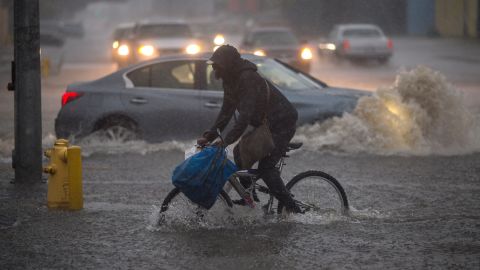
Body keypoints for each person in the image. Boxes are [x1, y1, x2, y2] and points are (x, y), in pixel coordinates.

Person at [197, 45, 302, 213]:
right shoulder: (229, 80)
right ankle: (250, 198)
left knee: (266, 169)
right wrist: (210, 136)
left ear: (229, 64)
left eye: (218, 65)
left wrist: (224, 142)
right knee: (239, 153)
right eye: (213, 65)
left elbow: (244, 118)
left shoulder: (247, 79)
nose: (215, 68)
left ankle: (294, 210)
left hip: (283, 121)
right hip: (265, 124)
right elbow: (226, 112)